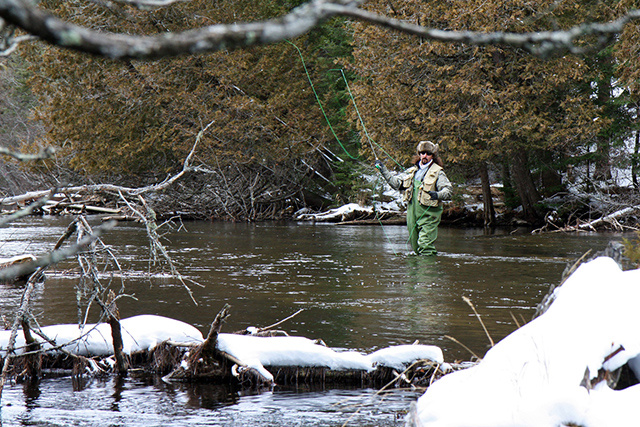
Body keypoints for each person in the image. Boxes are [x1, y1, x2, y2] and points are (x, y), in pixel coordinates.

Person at [375, 140, 453, 256]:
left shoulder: (438, 172)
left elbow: (448, 191)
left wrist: (437, 195)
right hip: (412, 213)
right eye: (422, 153)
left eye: (428, 153)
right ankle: (416, 273)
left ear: (433, 155)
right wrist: (383, 170)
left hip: (429, 214)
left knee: (425, 245)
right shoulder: (412, 171)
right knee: (416, 247)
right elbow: (396, 183)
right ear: (419, 154)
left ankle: (428, 271)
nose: (424, 156)